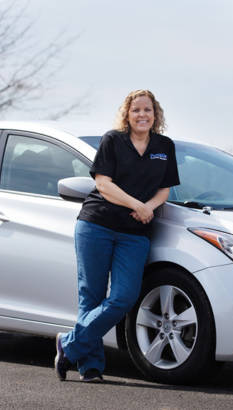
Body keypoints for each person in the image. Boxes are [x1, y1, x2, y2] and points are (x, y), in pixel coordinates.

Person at [55, 89, 180, 382]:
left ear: (155, 113)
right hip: (97, 224)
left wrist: (148, 207)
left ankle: (68, 345)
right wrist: (137, 204)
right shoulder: (113, 140)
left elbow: (165, 188)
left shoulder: (164, 146)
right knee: (92, 295)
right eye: (136, 110)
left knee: (124, 296)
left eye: (147, 110)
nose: (142, 115)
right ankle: (91, 368)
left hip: (134, 232)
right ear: (127, 114)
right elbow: (103, 184)